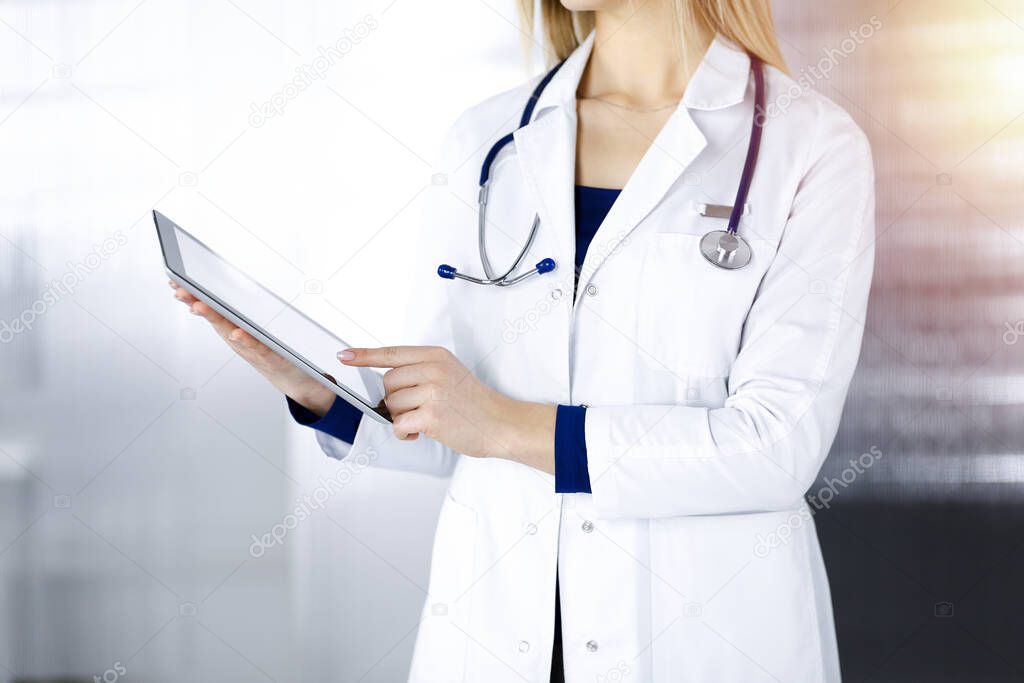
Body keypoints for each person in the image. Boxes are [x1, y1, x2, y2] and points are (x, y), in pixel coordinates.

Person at [172, 0, 874, 680]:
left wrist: (506, 425)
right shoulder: (488, 139)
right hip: (499, 630)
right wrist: (314, 385)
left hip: (706, 637)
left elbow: (776, 445)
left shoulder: (806, 144)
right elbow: (450, 424)